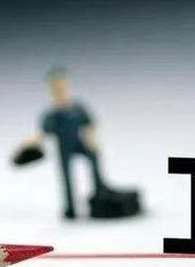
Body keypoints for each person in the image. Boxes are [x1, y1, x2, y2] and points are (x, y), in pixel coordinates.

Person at [16, 67, 139, 219]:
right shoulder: (52, 114)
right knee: (67, 176)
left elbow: (90, 124)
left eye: (63, 86)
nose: (60, 90)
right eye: (56, 88)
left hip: (80, 143)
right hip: (64, 148)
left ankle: (99, 189)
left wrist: (91, 139)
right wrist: (28, 143)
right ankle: (70, 208)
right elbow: (41, 133)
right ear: (51, 91)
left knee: (93, 156)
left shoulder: (78, 108)